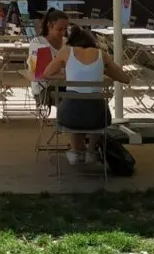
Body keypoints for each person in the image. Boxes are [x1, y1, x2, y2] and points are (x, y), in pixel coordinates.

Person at [43, 27, 131, 165]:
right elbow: (125, 78)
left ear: (72, 42)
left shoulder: (66, 52)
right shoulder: (102, 54)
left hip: (70, 117)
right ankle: (90, 150)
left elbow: (47, 73)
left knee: (73, 105)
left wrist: (69, 75)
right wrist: (103, 71)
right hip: (98, 117)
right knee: (93, 105)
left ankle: (77, 150)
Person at [29, 9, 70, 100]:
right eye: (59, 29)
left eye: (65, 29)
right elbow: (41, 74)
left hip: (64, 85)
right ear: (49, 26)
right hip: (44, 89)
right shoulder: (39, 43)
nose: (63, 33)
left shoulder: (65, 42)